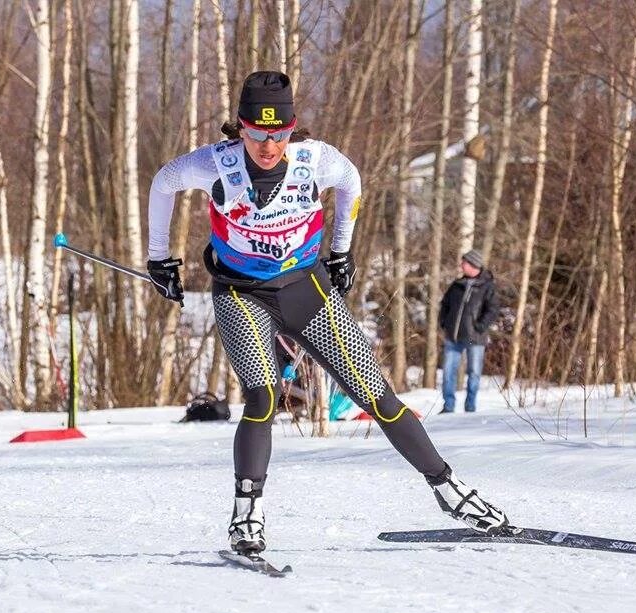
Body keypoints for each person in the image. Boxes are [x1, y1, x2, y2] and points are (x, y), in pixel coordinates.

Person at [146, 71, 507, 556]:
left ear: (292, 127)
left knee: (376, 394)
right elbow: (163, 181)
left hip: (307, 289)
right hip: (241, 295)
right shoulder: (215, 164)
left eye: (279, 134)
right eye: (257, 133)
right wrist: (158, 257)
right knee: (262, 397)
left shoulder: (315, 159)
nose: (269, 146)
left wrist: (341, 250)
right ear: (240, 127)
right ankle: (247, 514)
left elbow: (351, 180)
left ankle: (450, 490)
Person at [438, 250, 499, 413]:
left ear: (473, 265)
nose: (461, 265)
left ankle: (470, 406)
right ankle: (448, 405)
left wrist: (479, 326)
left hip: (475, 337)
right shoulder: (456, 285)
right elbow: (444, 305)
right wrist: (443, 322)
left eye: (464, 263)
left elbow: (492, 310)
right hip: (453, 336)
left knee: (474, 372)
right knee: (448, 371)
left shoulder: (487, 286)